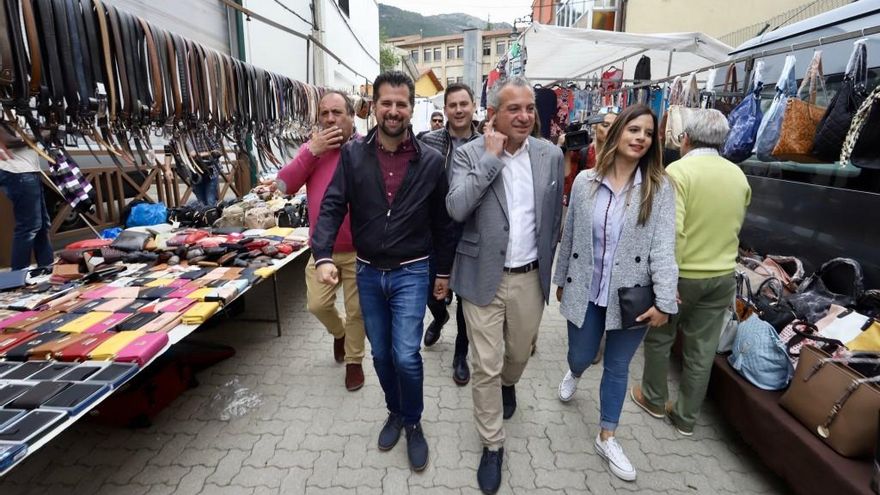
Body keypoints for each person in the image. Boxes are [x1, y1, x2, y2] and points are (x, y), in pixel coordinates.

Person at [311, 71, 455, 472]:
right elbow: (333, 205)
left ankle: (414, 422)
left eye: (402, 104)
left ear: (412, 108)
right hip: (368, 272)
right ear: (373, 107)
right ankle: (394, 411)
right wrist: (322, 254)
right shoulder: (354, 155)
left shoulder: (430, 161)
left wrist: (443, 271)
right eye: (386, 103)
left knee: (406, 355)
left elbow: (444, 222)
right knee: (380, 355)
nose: (394, 111)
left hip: (412, 271)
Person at [446, 76, 564, 495]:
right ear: (493, 114)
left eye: (530, 108)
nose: (525, 116)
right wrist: (491, 159)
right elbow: (457, 208)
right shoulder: (469, 153)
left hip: (529, 276)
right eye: (514, 109)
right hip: (481, 278)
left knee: (516, 356)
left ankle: (510, 385)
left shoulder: (551, 155)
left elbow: (554, 220)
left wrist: (555, 270)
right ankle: (492, 444)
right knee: (485, 366)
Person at [554, 104, 678, 482]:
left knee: (617, 366)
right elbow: (570, 234)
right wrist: (561, 280)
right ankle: (574, 371)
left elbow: (662, 248)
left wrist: (665, 302)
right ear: (618, 132)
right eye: (634, 129)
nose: (640, 137)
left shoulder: (659, 188)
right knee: (582, 353)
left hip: (632, 296)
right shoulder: (585, 182)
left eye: (648, 133)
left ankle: (607, 435)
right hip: (587, 290)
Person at [632, 109, 751, 436]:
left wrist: (665, 284)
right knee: (702, 350)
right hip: (724, 275)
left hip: (684, 274)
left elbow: (675, 232)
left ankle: (654, 399)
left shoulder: (678, 172)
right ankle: (685, 417)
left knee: (660, 338)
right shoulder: (738, 176)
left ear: (685, 138)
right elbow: (737, 222)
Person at [275, 90, 366, 392]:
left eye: (337, 112)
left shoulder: (365, 149)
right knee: (316, 305)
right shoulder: (312, 151)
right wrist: (310, 152)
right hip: (322, 251)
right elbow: (283, 186)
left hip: (359, 252)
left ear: (352, 117)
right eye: (324, 113)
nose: (329, 118)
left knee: (357, 311)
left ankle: (354, 361)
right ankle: (338, 333)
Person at [419, 82, 481, 386]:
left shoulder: (486, 144)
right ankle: (439, 316)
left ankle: (460, 354)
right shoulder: (428, 141)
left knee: (465, 299)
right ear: (445, 110)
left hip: (470, 231)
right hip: (433, 231)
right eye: (452, 105)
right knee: (433, 289)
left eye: (463, 104)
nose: (458, 110)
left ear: (473, 107)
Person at [0, 139, 54, 271]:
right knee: (29, 226)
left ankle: (47, 268)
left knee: (42, 225)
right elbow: (17, 137)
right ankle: (18, 275)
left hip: (29, 170)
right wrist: (41, 133)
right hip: (16, 171)